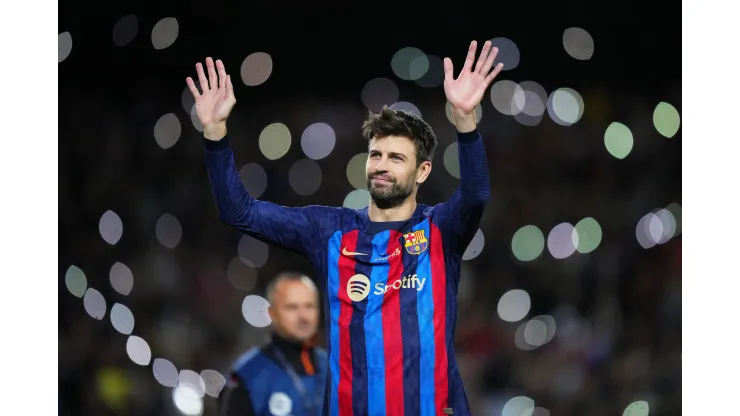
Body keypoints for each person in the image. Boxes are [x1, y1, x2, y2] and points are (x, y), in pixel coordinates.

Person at [187, 40, 503, 416]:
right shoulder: (329, 230)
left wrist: (465, 120)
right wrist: (215, 133)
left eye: (396, 157)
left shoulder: (442, 230)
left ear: (422, 171)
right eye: (376, 155)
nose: (382, 165)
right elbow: (239, 211)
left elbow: (476, 195)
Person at [219, 272, 327, 416]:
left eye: (309, 306)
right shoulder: (249, 374)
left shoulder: (336, 368)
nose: (303, 316)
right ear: (272, 313)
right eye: (292, 307)